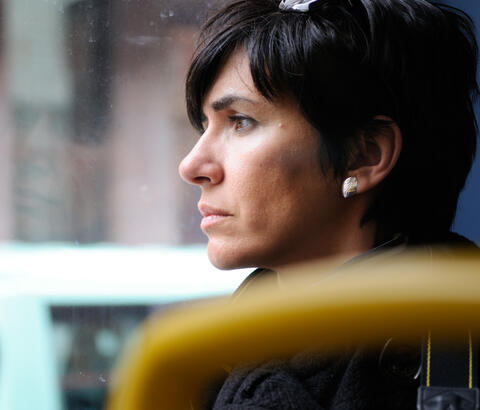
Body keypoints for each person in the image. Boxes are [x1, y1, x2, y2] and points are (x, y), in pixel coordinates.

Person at [178, 0, 479, 408]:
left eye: (240, 121)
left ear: (365, 155)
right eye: (203, 126)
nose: (192, 166)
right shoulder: (223, 353)